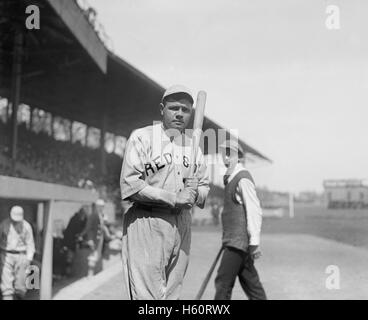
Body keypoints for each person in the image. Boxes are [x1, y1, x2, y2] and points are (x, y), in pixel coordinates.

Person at [120, 85, 210, 300]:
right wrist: (173, 197)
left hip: (182, 223)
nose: (179, 114)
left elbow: (205, 186)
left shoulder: (193, 146)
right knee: (148, 298)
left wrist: (195, 194)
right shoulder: (142, 137)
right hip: (147, 220)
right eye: (174, 108)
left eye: (185, 110)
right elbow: (130, 184)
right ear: (162, 109)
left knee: (172, 295)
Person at [214, 140, 267, 300]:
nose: (226, 157)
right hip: (234, 241)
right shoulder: (231, 178)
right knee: (252, 286)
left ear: (239, 157)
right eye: (224, 153)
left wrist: (254, 243)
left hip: (238, 243)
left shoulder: (242, 178)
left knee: (223, 282)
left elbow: (254, 210)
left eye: (231, 154)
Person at [0, 206, 35, 300]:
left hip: (21, 256)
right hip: (6, 255)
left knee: (20, 287)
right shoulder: (4, 224)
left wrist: (29, 258)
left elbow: (30, 244)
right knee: (6, 287)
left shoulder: (27, 226)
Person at [80, 199, 105, 277]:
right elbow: (89, 228)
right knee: (92, 255)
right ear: (96, 207)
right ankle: (90, 274)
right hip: (94, 239)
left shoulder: (101, 215)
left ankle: (94, 272)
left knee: (96, 255)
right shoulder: (93, 215)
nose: (100, 208)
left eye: (102, 206)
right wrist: (90, 239)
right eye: (99, 206)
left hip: (99, 239)